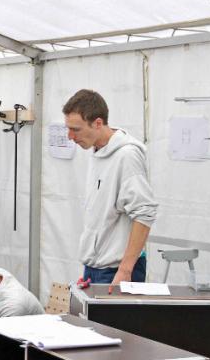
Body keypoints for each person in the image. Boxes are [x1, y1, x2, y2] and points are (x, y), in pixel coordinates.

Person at [63, 89, 158, 286]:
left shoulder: (127, 156)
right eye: (68, 128)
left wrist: (125, 270)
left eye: (76, 129)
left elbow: (144, 212)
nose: (70, 136)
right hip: (95, 268)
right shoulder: (97, 152)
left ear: (98, 123)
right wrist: (90, 265)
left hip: (116, 270)